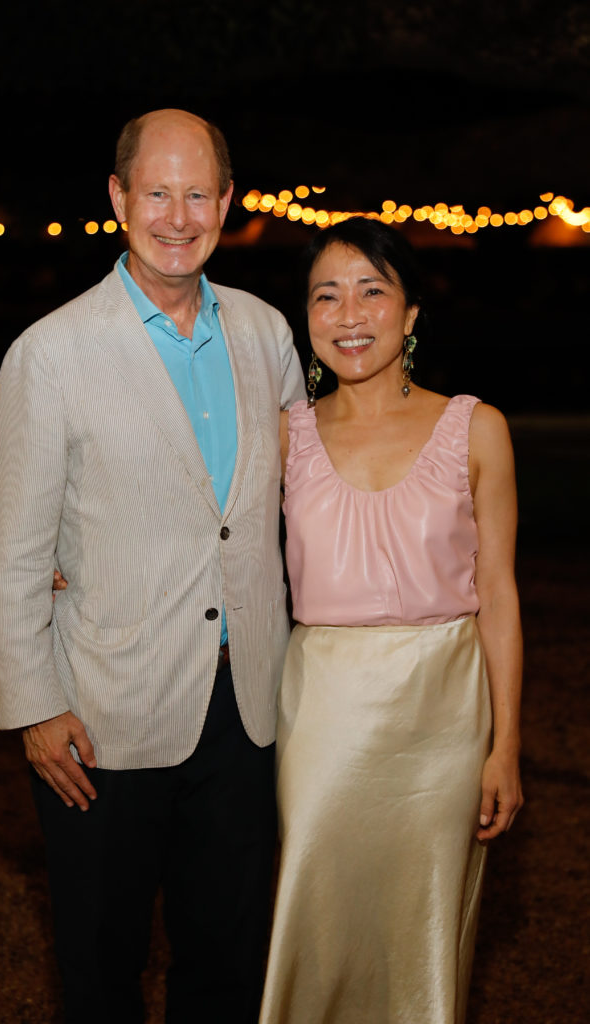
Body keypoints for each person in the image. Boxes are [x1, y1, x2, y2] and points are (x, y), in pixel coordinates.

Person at [0, 108, 304, 1024]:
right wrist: (34, 702)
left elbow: (298, 494)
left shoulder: (265, 333)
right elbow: (11, 549)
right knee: (99, 967)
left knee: (228, 963)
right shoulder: (51, 354)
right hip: (105, 716)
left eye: (197, 192)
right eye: (155, 191)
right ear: (118, 198)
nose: (177, 214)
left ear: (228, 201)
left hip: (247, 711)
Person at [258, 217, 524, 1024]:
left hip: (443, 714)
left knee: (423, 923)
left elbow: (500, 594)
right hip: (322, 712)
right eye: (326, 296)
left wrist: (504, 744)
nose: (349, 314)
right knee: (316, 905)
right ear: (305, 320)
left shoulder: (476, 427)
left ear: (409, 314)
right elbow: (203, 534)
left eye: (372, 291)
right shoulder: (284, 435)